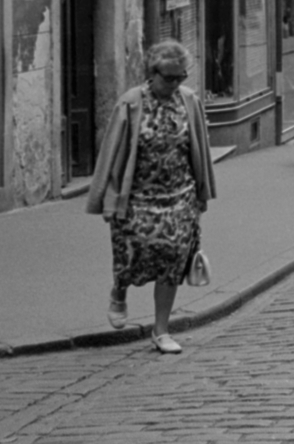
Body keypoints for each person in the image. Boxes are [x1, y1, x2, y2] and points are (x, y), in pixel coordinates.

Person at [88, 40, 217, 356]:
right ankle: (120, 290)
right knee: (132, 252)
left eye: (180, 78)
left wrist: (202, 193)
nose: (174, 84)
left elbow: (199, 147)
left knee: (173, 259)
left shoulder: (188, 101)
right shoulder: (131, 103)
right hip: (138, 198)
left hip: (179, 196)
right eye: (168, 78)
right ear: (152, 73)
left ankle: (161, 330)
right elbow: (112, 152)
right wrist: (106, 198)